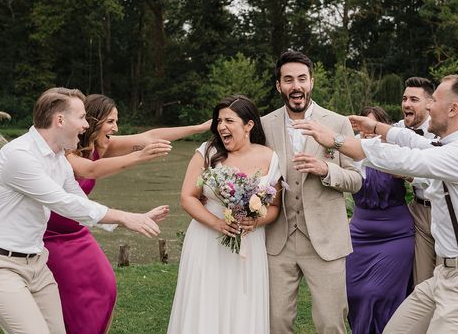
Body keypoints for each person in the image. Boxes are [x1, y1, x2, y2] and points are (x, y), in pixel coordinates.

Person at [295, 74, 458, 333]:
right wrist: (375, 127)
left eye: (435, 101)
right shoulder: (447, 146)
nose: (429, 107)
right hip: (446, 275)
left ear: (453, 109)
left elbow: (404, 158)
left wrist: (338, 141)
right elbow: (414, 141)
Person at [0, 87, 169, 334]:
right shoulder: (20, 155)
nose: (85, 126)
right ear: (60, 120)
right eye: (82, 117)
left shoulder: (58, 157)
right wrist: (125, 217)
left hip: (36, 263)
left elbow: (77, 199)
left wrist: (132, 218)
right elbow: (62, 202)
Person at [44, 93, 210, 334]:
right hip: (50, 235)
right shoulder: (67, 152)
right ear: (94, 121)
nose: (115, 127)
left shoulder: (103, 145)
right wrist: (139, 157)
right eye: (111, 121)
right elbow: (90, 170)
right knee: (69, 298)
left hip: (77, 231)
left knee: (106, 286)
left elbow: (150, 136)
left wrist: (199, 128)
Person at [262, 50, 361, 334]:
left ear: (312, 82)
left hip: (326, 241)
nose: (296, 86)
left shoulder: (338, 123)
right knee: (276, 322)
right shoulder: (264, 125)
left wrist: (326, 170)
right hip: (278, 240)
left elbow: (356, 180)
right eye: (289, 79)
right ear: (279, 86)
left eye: (302, 79)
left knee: (330, 323)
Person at [167, 95, 282, 334]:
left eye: (229, 120)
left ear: (249, 125)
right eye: (219, 121)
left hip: (249, 245)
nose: (221, 126)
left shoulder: (270, 157)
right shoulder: (207, 152)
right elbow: (187, 197)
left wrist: (255, 220)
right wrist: (218, 223)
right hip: (206, 241)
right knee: (205, 302)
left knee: (243, 302)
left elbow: (275, 208)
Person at [347, 106, 414, 334]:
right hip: (360, 234)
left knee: (380, 294)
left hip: (396, 234)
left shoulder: (395, 152)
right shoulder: (350, 153)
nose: (367, 134)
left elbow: (418, 175)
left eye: (371, 128)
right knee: (353, 292)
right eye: (363, 129)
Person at [396, 76, 437, 286]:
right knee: (421, 281)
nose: (406, 104)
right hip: (419, 212)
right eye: (404, 99)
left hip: (446, 211)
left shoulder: (443, 131)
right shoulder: (400, 128)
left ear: (430, 103)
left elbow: (441, 178)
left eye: (413, 99)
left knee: (448, 277)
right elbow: (373, 139)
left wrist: (408, 174)